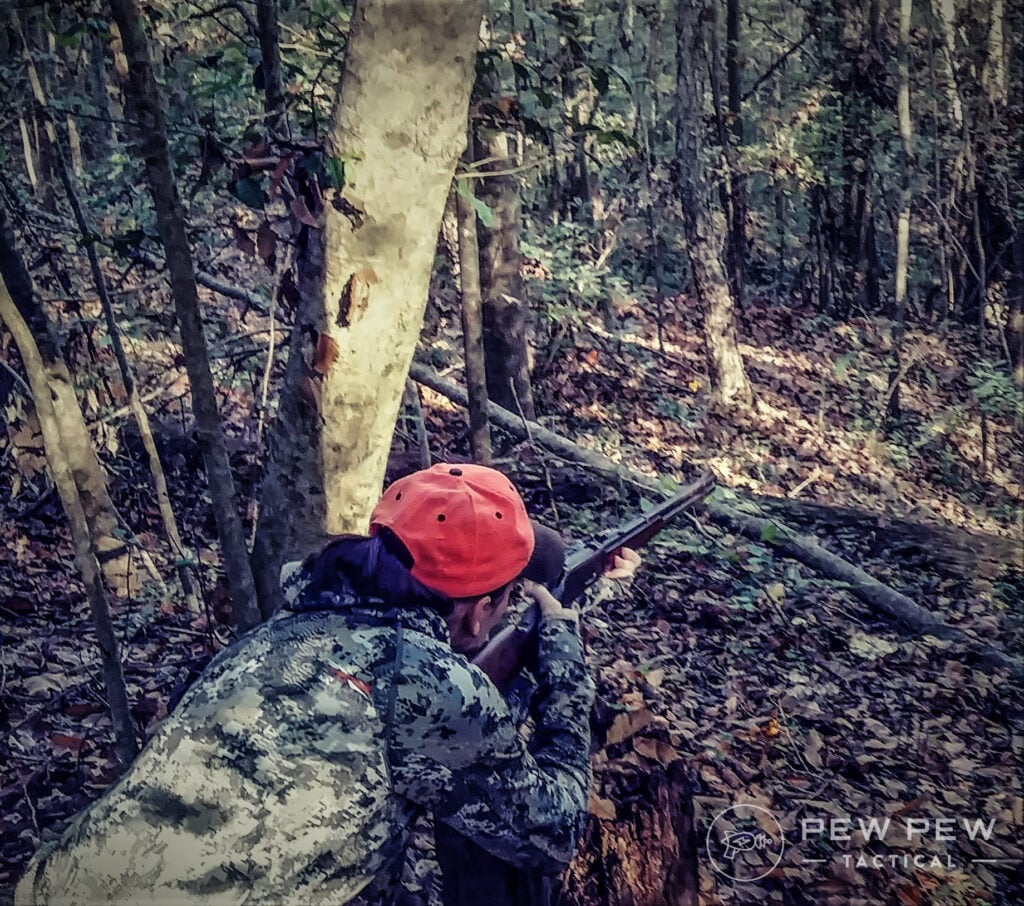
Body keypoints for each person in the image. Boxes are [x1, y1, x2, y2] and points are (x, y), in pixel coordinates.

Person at [16, 463, 639, 905]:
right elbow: (553, 832)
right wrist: (560, 651)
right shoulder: (425, 682)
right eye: (503, 605)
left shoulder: (286, 629)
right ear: (478, 612)